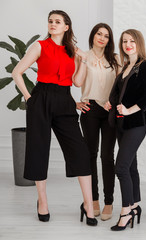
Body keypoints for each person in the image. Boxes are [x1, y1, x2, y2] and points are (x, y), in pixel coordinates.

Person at [12, 10, 97, 226]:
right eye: (50, 21)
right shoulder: (40, 46)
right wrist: (30, 98)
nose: (53, 24)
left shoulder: (72, 51)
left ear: (66, 26)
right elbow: (17, 71)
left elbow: (77, 82)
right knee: (39, 148)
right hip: (41, 97)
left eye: (58, 22)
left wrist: (84, 61)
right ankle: (42, 201)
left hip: (65, 99)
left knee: (79, 151)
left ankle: (88, 205)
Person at [108, 29, 146, 231]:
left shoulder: (145, 66)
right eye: (124, 41)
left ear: (139, 43)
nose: (128, 44)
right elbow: (119, 95)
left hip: (136, 124)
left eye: (132, 41)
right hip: (121, 124)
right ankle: (135, 205)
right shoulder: (125, 67)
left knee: (120, 167)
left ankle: (126, 211)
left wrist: (129, 110)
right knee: (130, 167)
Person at [76, 23, 120, 221]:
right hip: (90, 108)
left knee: (107, 156)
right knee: (90, 155)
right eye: (99, 34)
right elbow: (76, 82)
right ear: (93, 35)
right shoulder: (83, 56)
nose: (102, 38)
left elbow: (120, 85)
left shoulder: (115, 59)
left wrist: (116, 103)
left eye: (106, 36)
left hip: (109, 109)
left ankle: (108, 202)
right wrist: (75, 102)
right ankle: (93, 200)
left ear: (110, 40)